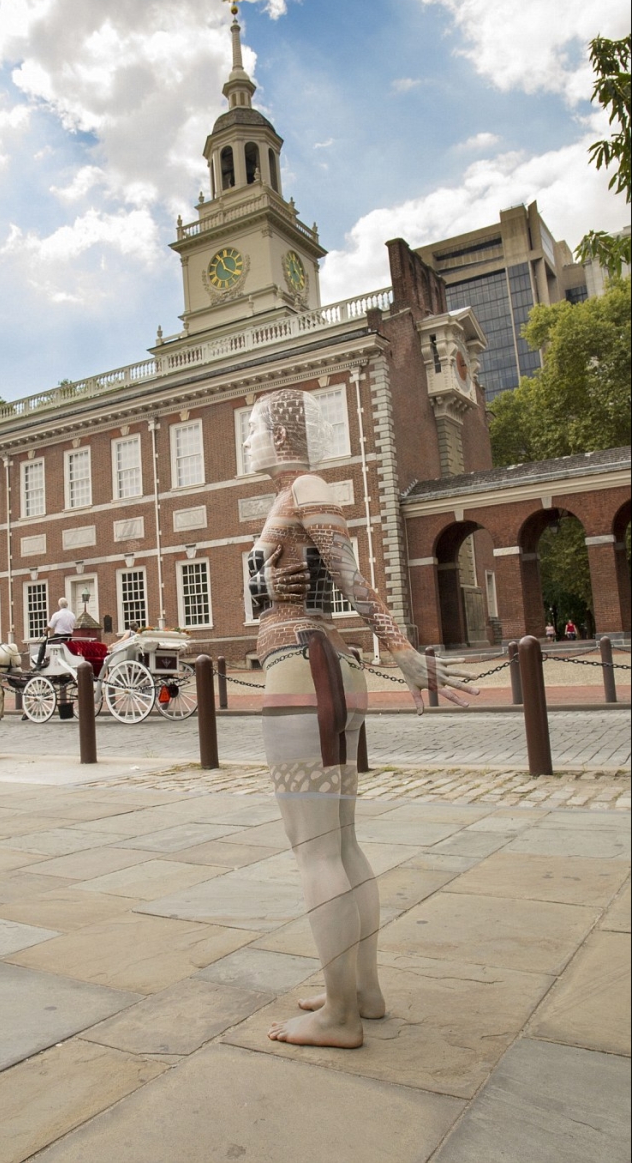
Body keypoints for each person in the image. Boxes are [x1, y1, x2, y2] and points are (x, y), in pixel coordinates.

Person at [244, 388, 478, 1050]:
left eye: (258, 427)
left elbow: (351, 577)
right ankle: (358, 988)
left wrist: (401, 650)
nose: (251, 439)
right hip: (318, 666)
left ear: (282, 434)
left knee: (314, 851)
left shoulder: (308, 485)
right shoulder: (292, 494)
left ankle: (337, 1015)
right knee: (340, 845)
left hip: (300, 668)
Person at [35, 597, 77, 668]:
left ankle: (38, 664)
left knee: (43, 644)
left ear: (59, 605)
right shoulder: (72, 615)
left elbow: (50, 626)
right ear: (67, 604)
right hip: (69, 637)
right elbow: (73, 626)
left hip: (59, 637)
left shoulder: (57, 615)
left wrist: (45, 632)